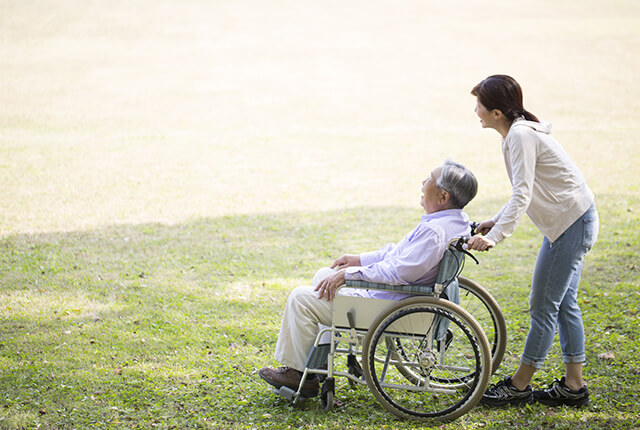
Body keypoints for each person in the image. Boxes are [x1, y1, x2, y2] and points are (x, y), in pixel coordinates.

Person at [259, 160, 478, 397]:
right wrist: (358, 260)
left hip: (390, 308)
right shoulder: (454, 221)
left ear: (443, 196)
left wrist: (350, 275)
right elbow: (396, 254)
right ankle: (314, 369)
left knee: (301, 298)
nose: (423, 183)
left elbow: (399, 272)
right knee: (324, 276)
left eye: (428, 179)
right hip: (400, 299)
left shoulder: (434, 232)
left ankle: (297, 373)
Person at [467, 75, 599, 408]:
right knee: (564, 304)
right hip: (573, 221)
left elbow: (523, 193)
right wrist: (494, 220)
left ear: (497, 112)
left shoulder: (520, 136)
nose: (476, 110)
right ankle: (573, 387)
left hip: (571, 224)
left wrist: (495, 237)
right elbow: (525, 191)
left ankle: (519, 386)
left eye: (480, 104)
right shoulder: (516, 133)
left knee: (542, 307)